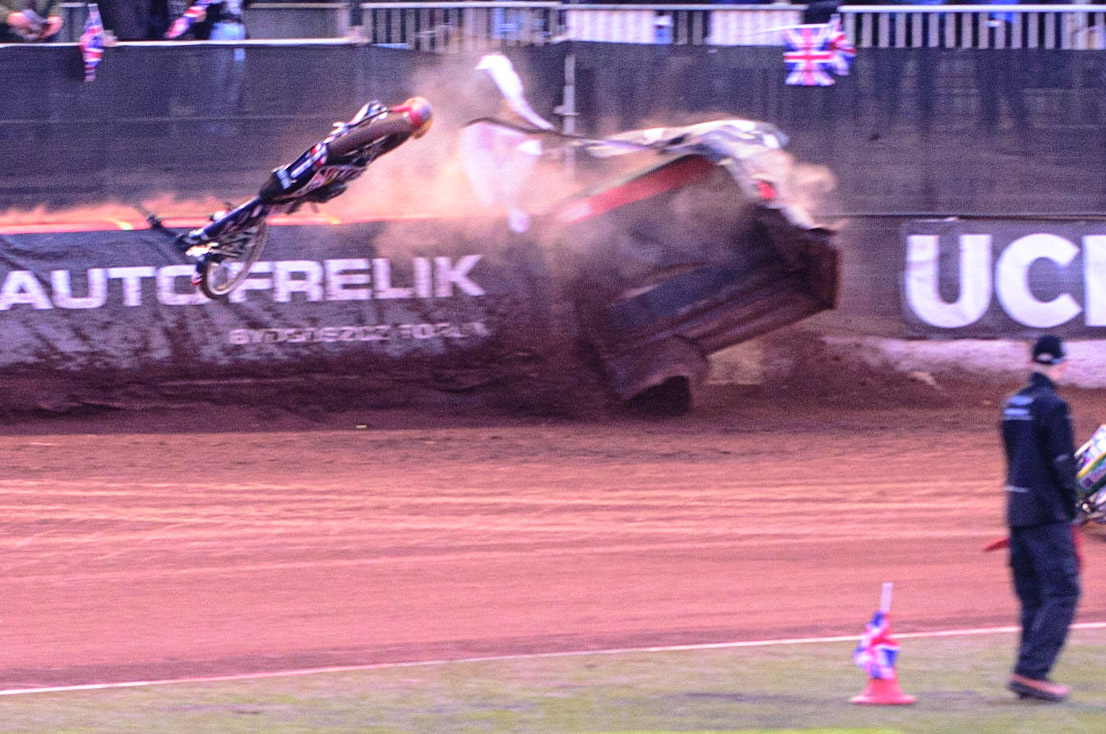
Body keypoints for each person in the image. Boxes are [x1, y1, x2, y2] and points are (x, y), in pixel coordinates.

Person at [1000, 334, 1081, 702]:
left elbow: (1014, 457)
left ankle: (1025, 672)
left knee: (1033, 598)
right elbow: (1063, 466)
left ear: (1032, 362)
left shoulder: (1011, 404)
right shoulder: (1054, 407)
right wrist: (1074, 512)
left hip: (1017, 512)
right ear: (1060, 365)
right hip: (1048, 514)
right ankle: (1033, 673)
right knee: (1063, 592)